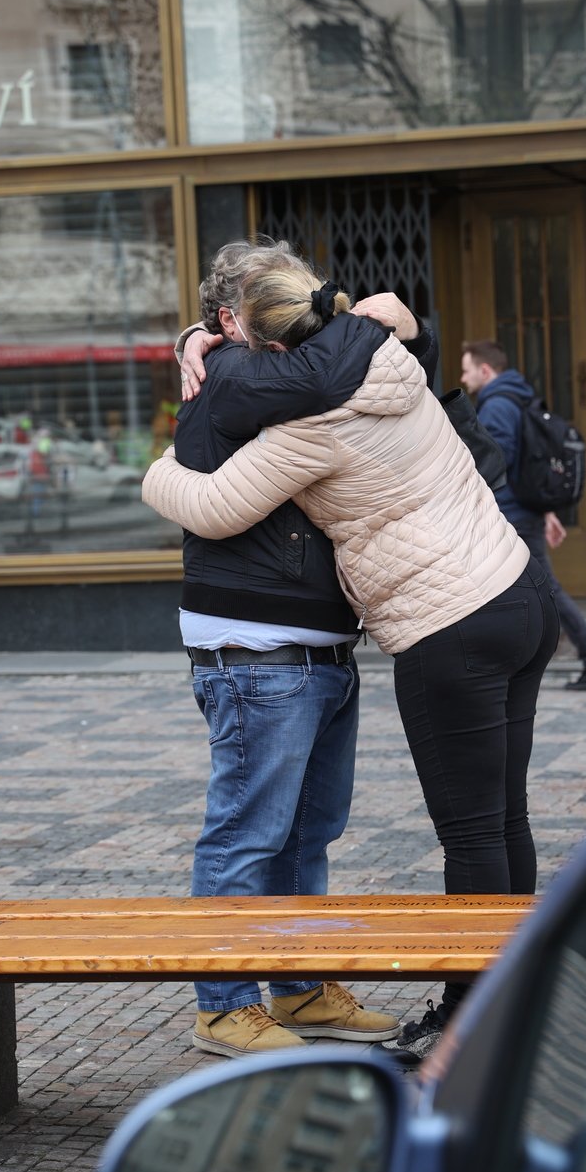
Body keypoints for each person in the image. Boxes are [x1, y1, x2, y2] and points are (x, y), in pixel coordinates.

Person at [147, 256, 560, 1063]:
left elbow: (211, 504)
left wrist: (156, 469)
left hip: (451, 622)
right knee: (504, 817)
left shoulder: (310, 428)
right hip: (517, 592)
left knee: (473, 832)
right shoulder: (391, 359)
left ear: (258, 345)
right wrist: (206, 334)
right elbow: (394, 318)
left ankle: (473, 1017)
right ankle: (511, 996)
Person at [167, 239, 404, 1058]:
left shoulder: (266, 364)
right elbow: (331, 371)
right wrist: (376, 314)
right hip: (257, 650)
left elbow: (398, 380)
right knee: (246, 834)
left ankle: (298, 988)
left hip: (314, 649)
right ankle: (223, 1006)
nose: (301, 321)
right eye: (283, 303)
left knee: (305, 834)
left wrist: (393, 322)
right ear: (229, 318)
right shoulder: (234, 373)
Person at [460, 340, 586, 691]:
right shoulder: (516, 397)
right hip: (522, 510)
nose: (463, 377)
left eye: (467, 369)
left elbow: (497, 462)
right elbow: (528, 465)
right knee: (522, 590)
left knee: (542, 590)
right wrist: (544, 511)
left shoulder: (497, 405)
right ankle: (534, 662)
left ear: (486, 370)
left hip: (510, 513)